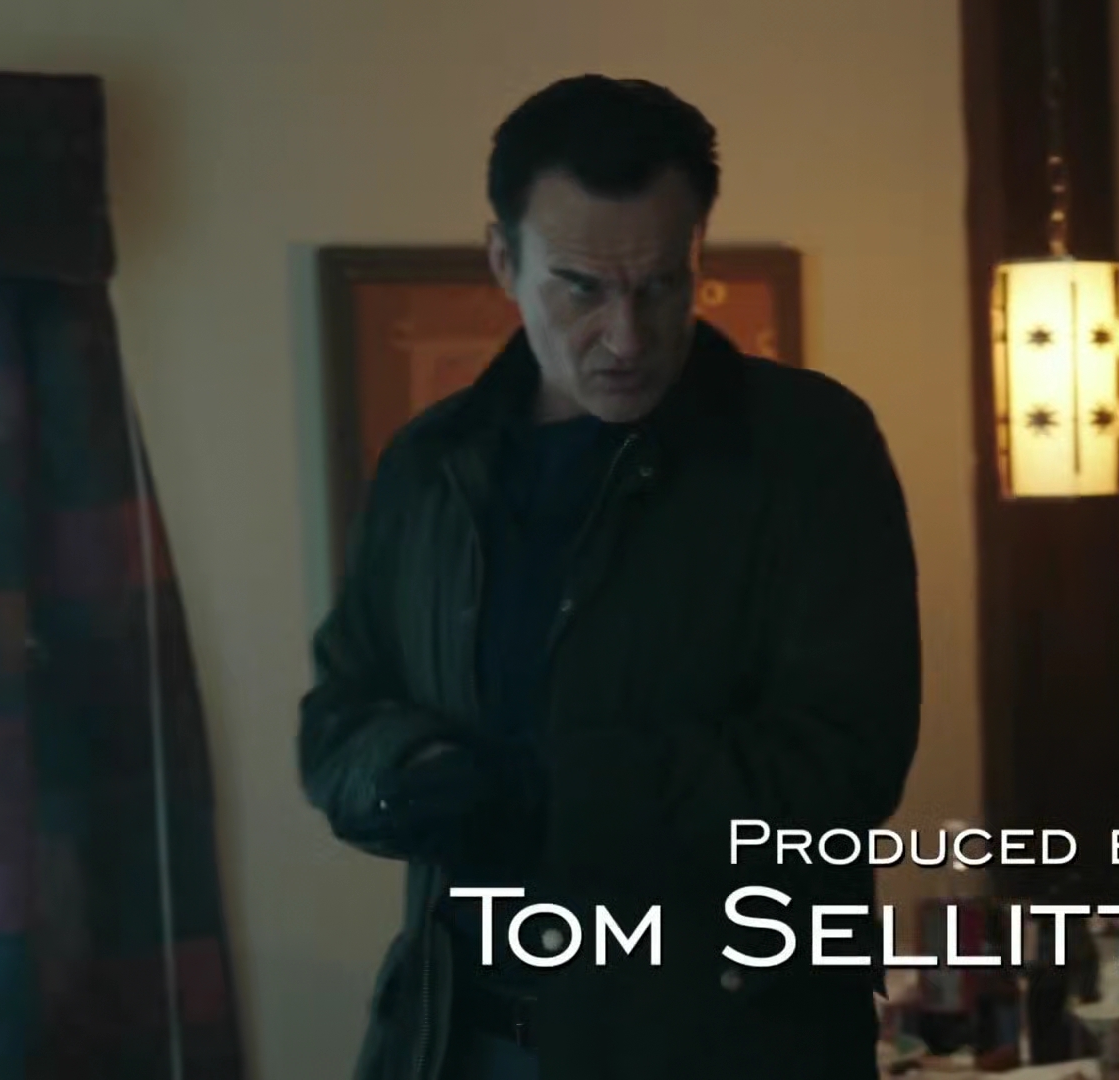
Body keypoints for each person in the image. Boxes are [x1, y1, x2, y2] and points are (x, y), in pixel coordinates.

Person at [297, 75, 922, 1079]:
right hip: (460, 1034)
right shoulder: (431, 464)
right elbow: (337, 714)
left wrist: (546, 796)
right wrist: (406, 775)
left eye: (663, 285)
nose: (627, 337)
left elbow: (843, 764)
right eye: (582, 288)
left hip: (720, 1044)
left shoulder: (807, 449)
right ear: (504, 260)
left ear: (697, 255)